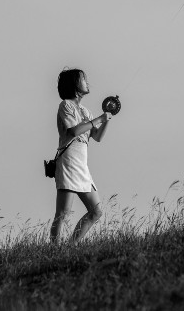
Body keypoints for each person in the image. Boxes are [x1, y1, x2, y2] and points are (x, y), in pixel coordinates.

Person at [50, 68, 113, 243]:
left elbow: (97, 137)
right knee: (62, 214)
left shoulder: (86, 111)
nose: (87, 81)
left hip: (82, 165)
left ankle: (71, 245)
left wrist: (106, 119)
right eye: (83, 79)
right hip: (69, 162)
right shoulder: (66, 105)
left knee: (96, 211)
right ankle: (54, 251)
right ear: (75, 85)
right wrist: (98, 119)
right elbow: (74, 131)